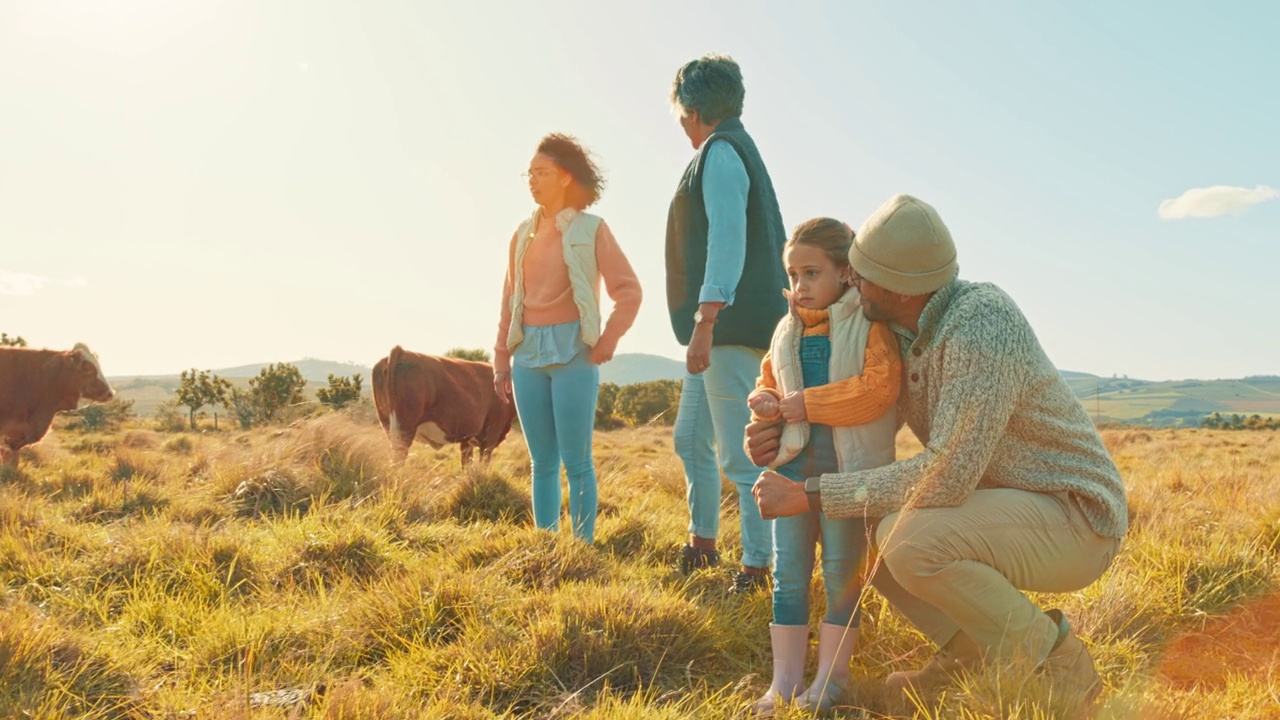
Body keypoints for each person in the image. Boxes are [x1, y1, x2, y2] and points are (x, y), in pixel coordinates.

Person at [750, 194, 1127, 709]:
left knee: (905, 539)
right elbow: (862, 407)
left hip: (1075, 517)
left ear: (899, 286)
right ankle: (969, 650)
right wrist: (774, 432)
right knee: (870, 526)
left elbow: (946, 475)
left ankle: (1057, 666)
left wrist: (811, 494)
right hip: (1003, 505)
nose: (851, 282)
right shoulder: (902, 330)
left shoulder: (981, 323)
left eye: (860, 274)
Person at [746, 218, 901, 715]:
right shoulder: (785, 330)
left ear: (846, 271)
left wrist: (805, 404)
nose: (799, 286)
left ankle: (831, 683)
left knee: (841, 574)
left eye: (811, 273)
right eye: (792, 276)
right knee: (788, 574)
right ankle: (784, 683)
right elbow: (769, 380)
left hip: (848, 476)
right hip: (792, 469)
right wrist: (764, 401)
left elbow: (877, 392)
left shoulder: (871, 325)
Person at [665, 53, 789, 592]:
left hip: (731, 330)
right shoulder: (735, 148)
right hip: (724, 328)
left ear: (692, 110)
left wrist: (707, 318)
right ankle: (702, 543)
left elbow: (726, 240)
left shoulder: (720, 153)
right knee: (691, 438)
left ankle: (758, 568)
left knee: (742, 457)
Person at [494, 133, 642, 543]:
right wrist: (501, 361)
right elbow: (509, 301)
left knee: (577, 462)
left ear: (564, 177)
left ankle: (582, 551)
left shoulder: (592, 228)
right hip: (526, 353)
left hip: (575, 350)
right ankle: (547, 549)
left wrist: (607, 340)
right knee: (541, 462)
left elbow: (629, 290)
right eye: (530, 173)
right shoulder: (521, 233)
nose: (532, 180)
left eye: (541, 172)